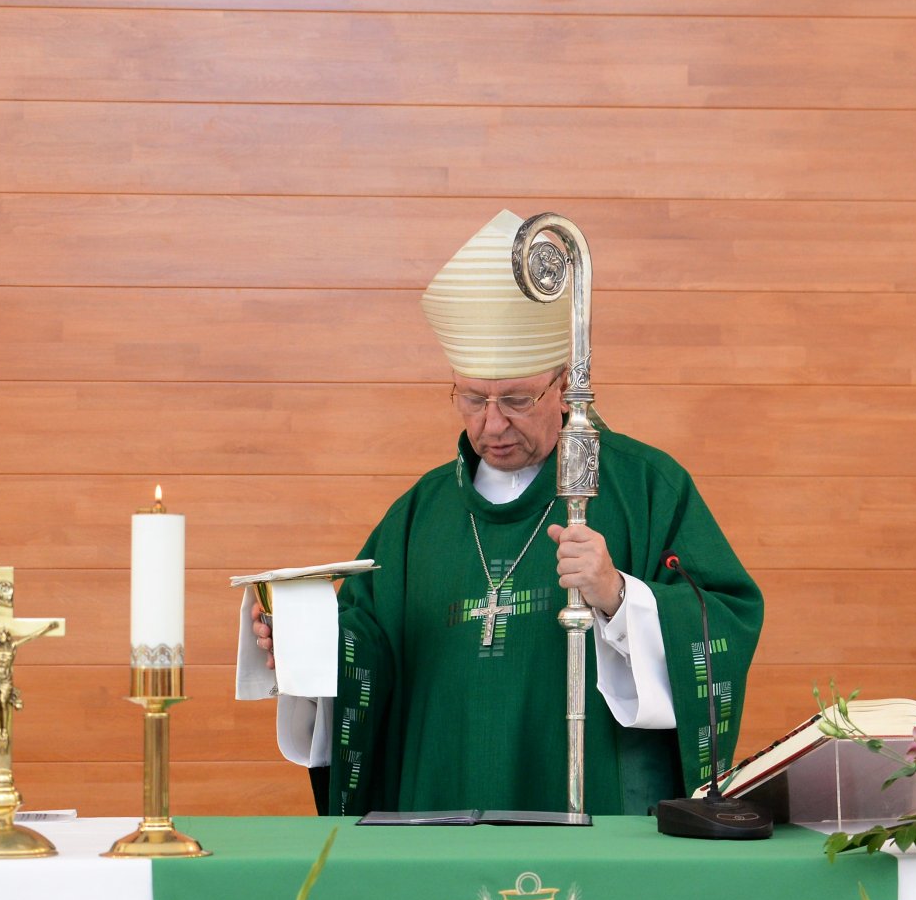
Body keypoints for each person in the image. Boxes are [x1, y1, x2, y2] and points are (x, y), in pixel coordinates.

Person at [253, 210, 763, 816]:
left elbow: (723, 620)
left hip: (591, 811)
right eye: (471, 398)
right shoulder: (419, 514)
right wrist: (310, 648)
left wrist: (618, 596)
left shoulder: (644, 487)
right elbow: (369, 654)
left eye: (517, 399)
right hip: (437, 814)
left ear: (564, 385)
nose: (491, 424)